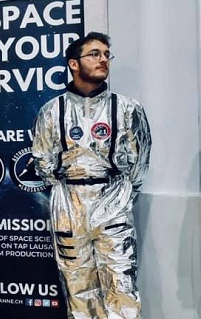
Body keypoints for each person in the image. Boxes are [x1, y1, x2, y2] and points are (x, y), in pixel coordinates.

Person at [32, 32, 151, 319]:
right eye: (94, 54)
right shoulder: (52, 111)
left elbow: (140, 162)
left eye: (106, 54)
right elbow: (42, 162)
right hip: (68, 207)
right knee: (77, 288)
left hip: (112, 204)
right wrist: (67, 188)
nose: (103, 59)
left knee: (121, 287)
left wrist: (119, 198)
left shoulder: (126, 109)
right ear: (74, 63)